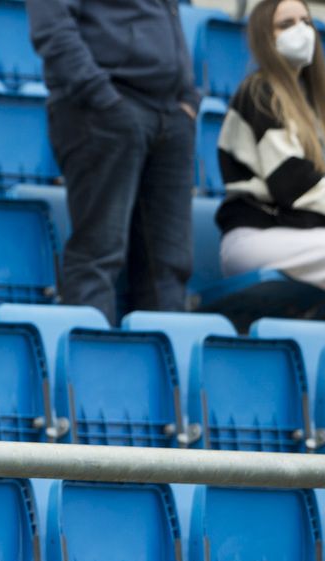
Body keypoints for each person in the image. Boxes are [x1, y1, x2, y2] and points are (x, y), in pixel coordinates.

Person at [28, 0, 200, 321]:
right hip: (106, 109)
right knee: (98, 255)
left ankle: (161, 368)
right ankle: (91, 363)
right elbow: (52, 27)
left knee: (169, 265)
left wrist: (188, 98)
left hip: (170, 113)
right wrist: (103, 99)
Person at [217, 0, 325, 330]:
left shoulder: (312, 104)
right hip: (253, 236)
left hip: (294, 234)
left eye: (306, 21)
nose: (301, 31)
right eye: (286, 24)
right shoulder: (259, 93)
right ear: (266, 36)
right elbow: (294, 185)